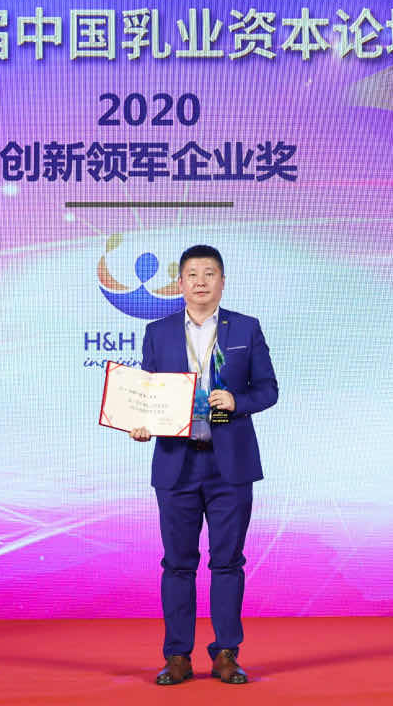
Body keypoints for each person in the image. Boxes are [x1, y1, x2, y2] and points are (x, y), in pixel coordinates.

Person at [129, 244, 278, 685]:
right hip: (176, 464)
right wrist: (141, 422)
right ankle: (177, 655)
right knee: (177, 564)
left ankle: (226, 653)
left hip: (230, 465)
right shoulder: (158, 332)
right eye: (192, 274)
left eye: (209, 273)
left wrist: (237, 400)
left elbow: (268, 389)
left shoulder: (245, 328)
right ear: (180, 283)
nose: (200, 281)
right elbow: (147, 394)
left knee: (228, 562)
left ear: (222, 282)